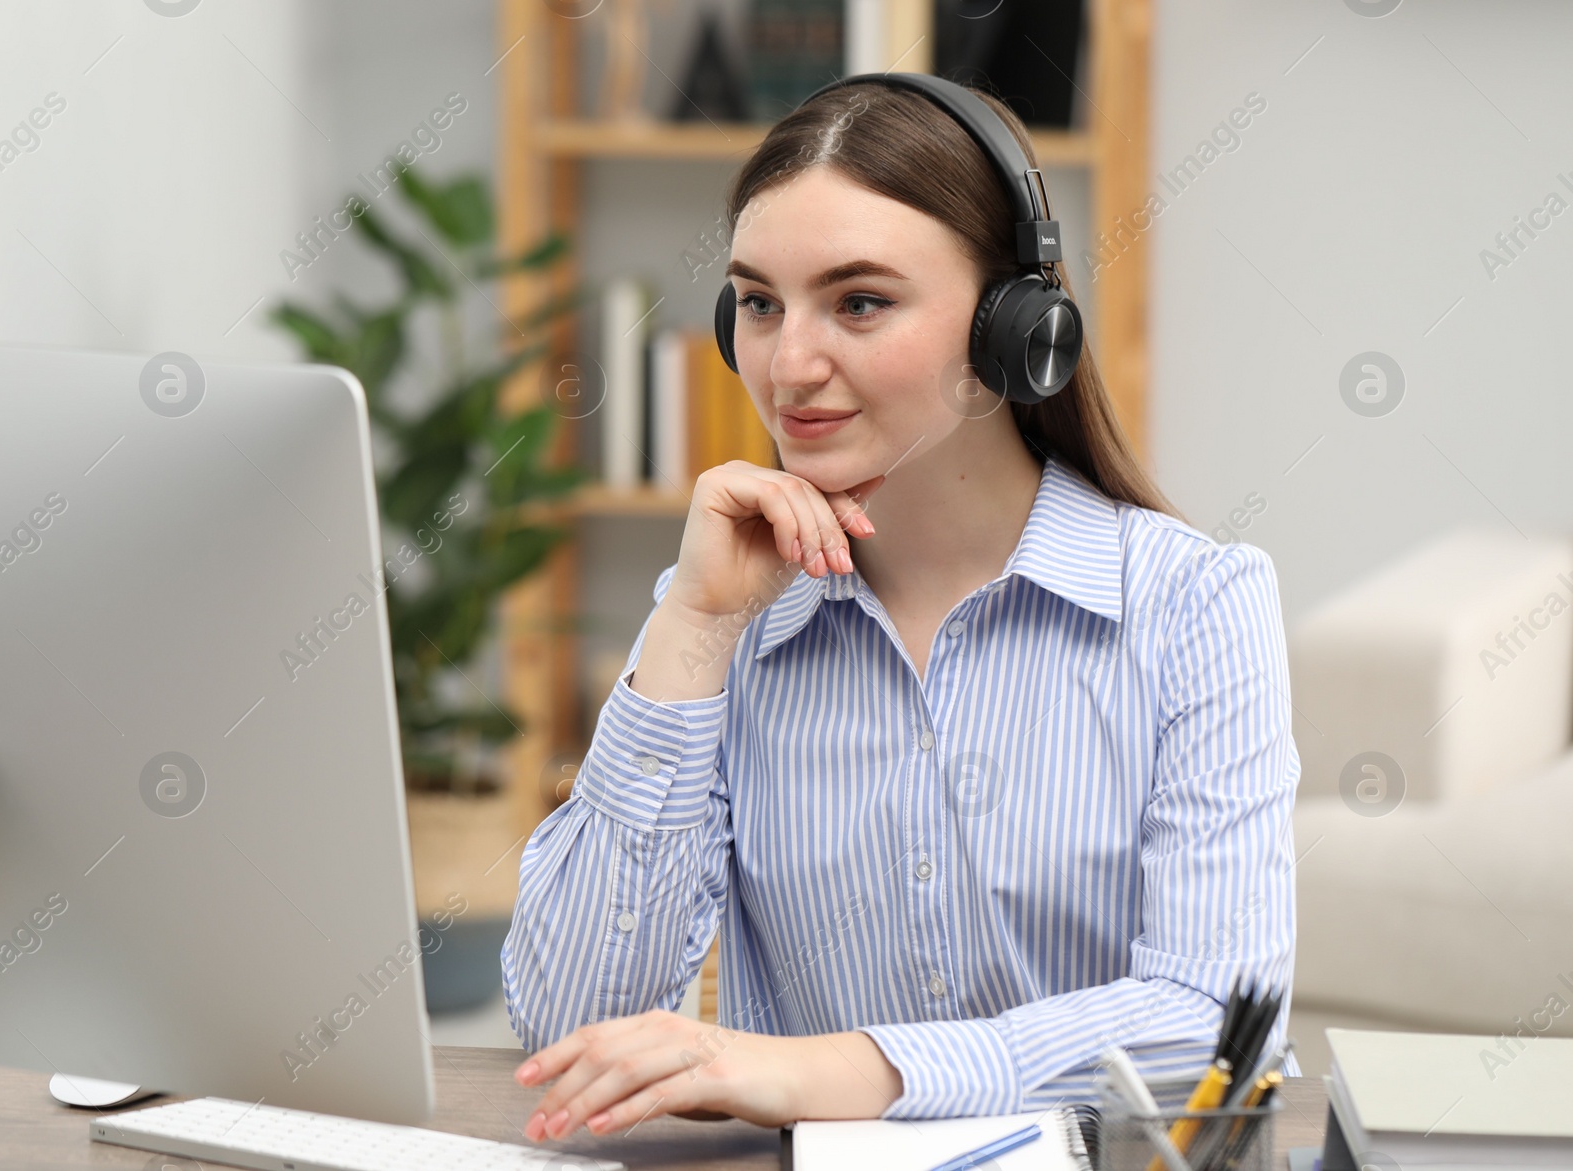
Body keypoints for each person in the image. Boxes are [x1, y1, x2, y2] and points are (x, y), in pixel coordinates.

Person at [501, 77, 1301, 1144]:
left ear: (1019, 333)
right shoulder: (719, 616)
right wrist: (692, 631)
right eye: (758, 302)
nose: (789, 365)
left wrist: (834, 1070)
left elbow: (1212, 1025)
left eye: (860, 302)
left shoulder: (1196, 604)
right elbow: (569, 1034)